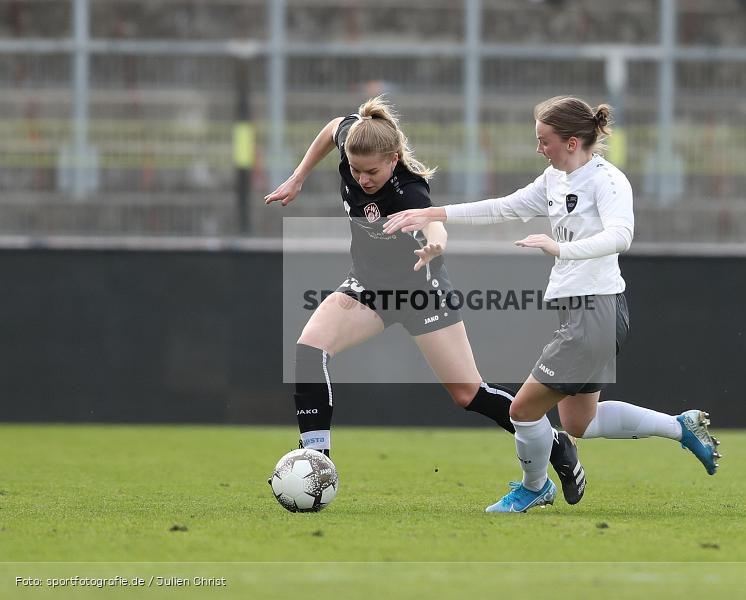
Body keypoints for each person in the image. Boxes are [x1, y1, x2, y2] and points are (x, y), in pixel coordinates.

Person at [383, 96, 722, 513]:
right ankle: (680, 427)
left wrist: (561, 249)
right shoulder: (553, 179)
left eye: (545, 141)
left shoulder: (608, 181)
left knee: (523, 411)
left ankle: (535, 487)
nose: (539, 148)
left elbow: (622, 236)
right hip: (579, 310)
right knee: (582, 423)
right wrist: (435, 213)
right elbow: (505, 207)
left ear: (574, 142)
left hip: (596, 310)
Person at [265, 96, 587, 504]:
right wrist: (298, 177)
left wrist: (434, 246)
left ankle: (556, 444)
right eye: (355, 170)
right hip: (369, 288)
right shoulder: (354, 138)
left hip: (421, 293)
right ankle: (317, 463)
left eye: (373, 171)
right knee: (309, 350)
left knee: (468, 393)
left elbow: (435, 227)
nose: (362, 179)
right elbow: (333, 127)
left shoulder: (410, 191)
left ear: (394, 158)